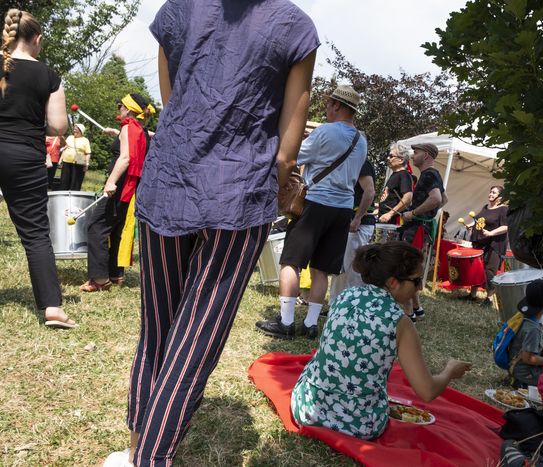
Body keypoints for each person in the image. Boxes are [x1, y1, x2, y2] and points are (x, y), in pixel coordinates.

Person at [102, 1, 319, 466]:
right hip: (238, 193)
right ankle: (152, 459)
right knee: (197, 334)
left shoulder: (177, 9)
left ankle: (140, 444)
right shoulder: (296, 27)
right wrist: (271, 187)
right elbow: (287, 149)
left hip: (169, 181)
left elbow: (172, 101)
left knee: (158, 327)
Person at [291, 241, 472, 439]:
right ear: (393, 282)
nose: (420, 288)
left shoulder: (346, 295)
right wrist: (449, 372)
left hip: (307, 408)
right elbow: (427, 391)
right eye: (417, 280)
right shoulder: (399, 322)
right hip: (359, 425)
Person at [255, 84, 368, 340]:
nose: (327, 109)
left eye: (329, 104)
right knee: (321, 269)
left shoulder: (326, 132)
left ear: (338, 106)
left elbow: (293, 157)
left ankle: (285, 322)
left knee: (290, 262)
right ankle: (310, 324)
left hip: (316, 204)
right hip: (342, 210)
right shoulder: (362, 140)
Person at [0, 8, 74, 329]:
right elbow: (58, 126)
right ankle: (52, 309)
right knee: (34, 234)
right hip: (24, 156)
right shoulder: (48, 76)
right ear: (37, 40)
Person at [81, 93, 152, 292]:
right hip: (129, 187)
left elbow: (126, 158)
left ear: (128, 109)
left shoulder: (129, 127)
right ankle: (115, 273)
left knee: (96, 227)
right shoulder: (138, 129)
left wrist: (111, 182)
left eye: (120, 105)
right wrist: (117, 134)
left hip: (120, 185)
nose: (118, 107)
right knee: (115, 229)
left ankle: (100, 279)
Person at [399, 142, 447, 321]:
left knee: (407, 268)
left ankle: (408, 312)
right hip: (422, 227)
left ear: (426, 155)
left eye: (416, 153)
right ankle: (417, 309)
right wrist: (428, 213)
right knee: (413, 268)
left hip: (417, 229)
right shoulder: (433, 175)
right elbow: (444, 198)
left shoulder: (429, 174)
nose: (412, 156)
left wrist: (414, 213)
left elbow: (436, 199)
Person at [328, 158, 376, 304]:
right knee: (341, 265)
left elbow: (370, 191)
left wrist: (357, 218)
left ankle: (354, 304)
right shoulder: (349, 163)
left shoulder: (361, 163)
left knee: (353, 266)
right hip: (348, 222)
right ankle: (336, 303)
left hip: (358, 224)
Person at [467, 185, 508, 307]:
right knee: (477, 268)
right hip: (481, 242)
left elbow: (505, 227)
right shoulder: (486, 207)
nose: (491, 194)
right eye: (490, 192)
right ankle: (472, 295)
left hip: (495, 244)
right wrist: (470, 224)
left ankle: (489, 299)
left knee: (490, 271)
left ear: (500, 197)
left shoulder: (503, 209)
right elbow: (479, 221)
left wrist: (491, 233)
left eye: (494, 193)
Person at [377, 143, 413, 224]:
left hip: (393, 222)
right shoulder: (395, 175)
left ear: (401, 160)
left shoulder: (404, 175)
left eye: (391, 156)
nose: (388, 158)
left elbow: (408, 198)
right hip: (385, 220)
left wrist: (390, 213)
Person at [58, 123, 91, 191]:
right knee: (64, 180)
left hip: (79, 159)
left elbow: (88, 153)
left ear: (81, 130)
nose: (74, 129)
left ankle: (74, 195)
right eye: (74, 128)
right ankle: (63, 194)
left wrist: (87, 164)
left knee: (76, 181)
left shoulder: (85, 140)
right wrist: (60, 160)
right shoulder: (70, 137)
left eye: (76, 128)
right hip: (66, 161)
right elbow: (65, 148)